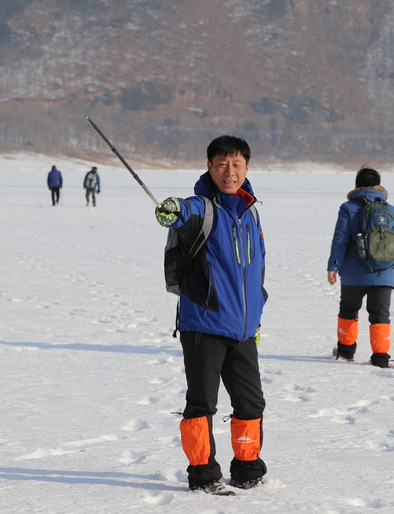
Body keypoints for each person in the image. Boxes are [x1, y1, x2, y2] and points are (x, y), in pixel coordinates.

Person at [154, 135, 268, 496]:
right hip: (204, 325)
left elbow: (257, 269)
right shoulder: (201, 208)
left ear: (247, 168)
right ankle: (203, 474)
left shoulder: (251, 212)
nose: (229, 171)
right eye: (221, 164)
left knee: (250, 403)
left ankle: (248, 468)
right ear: (209, 166)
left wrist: (257, 316)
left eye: (236, 164)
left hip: (244, 328)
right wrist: (173, 208)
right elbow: (183, 212)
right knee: (202, 402)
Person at [326, 167, 394, 368]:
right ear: (378, 185)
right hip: (383, 273)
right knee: (380, 314)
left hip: (354, 272)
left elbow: (340, 240)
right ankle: (380, 356)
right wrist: (385, 261)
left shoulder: (348, 207)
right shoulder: (390, 208)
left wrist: (333, 265)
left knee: (349, 310)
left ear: (356, 186)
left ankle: (345, 351)